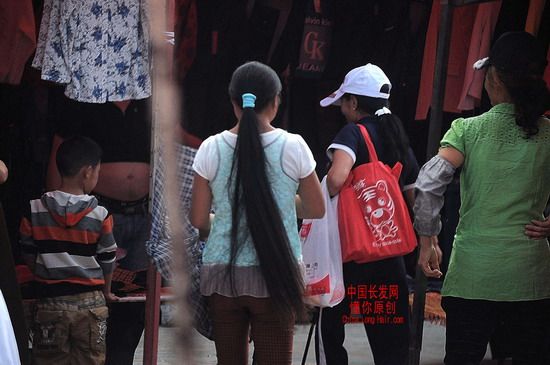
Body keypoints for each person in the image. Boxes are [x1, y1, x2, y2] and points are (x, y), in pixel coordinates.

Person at [414, 31, 550, 364]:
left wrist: (428, 240)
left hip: (471, 278)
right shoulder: (548, 134)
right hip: (530, 279)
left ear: (493, 79)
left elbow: (429, 182)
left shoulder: (467, 130)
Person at [190, 61, 324, 365]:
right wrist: (274, 203)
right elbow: (316, 208)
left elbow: (198, 219)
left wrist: (230, 216)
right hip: (276, 271)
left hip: (223, 274)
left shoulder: (211, 148)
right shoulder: (294, 146)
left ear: (234, 103)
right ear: (276, 102)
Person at [316, 63, 419, 365]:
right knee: (388, 334)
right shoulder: (397, 136)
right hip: (388, 255)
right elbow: (414, 194)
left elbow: (336, 179)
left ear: (354, 103)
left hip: (350, 255)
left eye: (344, 102)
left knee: (332, 329)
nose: (342, 109)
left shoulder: (353, 133)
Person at [45, 96, 151, 365]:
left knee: (136, 298)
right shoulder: (84, 96)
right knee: (90, 293)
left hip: (144, 214)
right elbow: (60, 155)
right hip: (94, 213)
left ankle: (120, 359)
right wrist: (55, 214)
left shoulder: (151, 99)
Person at [20, 136, 117, 365]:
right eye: (97, 172)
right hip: (91, 306)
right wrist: (107, 291)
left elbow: (26, 249)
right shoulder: (100, 214)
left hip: (49, 305)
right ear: (87, 172)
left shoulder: (34, 209)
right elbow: (108, 257)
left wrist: (43, 272)